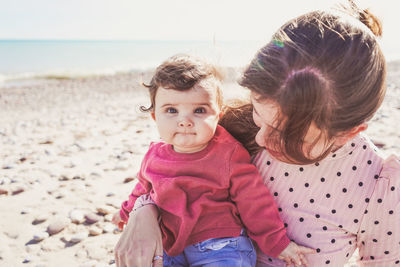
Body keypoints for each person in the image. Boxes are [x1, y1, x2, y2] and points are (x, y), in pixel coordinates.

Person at [114, 3, 400, 267]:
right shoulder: (225, 129)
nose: (261, 140)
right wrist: (143, 211)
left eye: (285, 135)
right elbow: (172, 176)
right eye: (258, 116)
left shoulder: (379, 187)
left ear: (349, 132)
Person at [113, 54, 315, 267]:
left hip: (221, 245)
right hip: (170, 245)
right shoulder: (154, 155)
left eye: (199, 110)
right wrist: (125, 211)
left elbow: (253, 200)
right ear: (155, 116)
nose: (185, 121)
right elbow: (142, 189)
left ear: (218, 114)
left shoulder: (227, 153)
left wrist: (277, 243)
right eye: (171, 110)